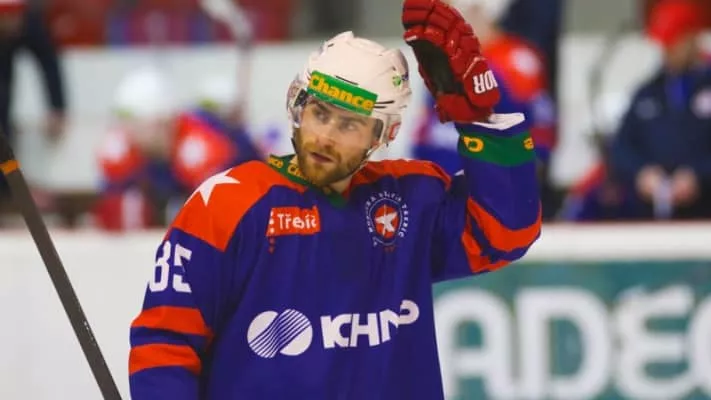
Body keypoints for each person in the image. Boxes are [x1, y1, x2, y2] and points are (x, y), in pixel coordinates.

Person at [127, 0, 541, 398]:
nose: (326, 136)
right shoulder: (226, 205)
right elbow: (165, 342)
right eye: (320, 113)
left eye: (350, 125)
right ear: (297, 105)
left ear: (384, 135)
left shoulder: (409, 200)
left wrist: (479, 121)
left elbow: (507, 232)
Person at [412, 0, 557, 218]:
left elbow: (540, 131)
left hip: (494, 198)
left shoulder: (518, 61)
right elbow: (426, 131)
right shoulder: (442, 60)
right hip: (440, 198)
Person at [92, 65, 263, 230]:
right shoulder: (124, 150)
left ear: (160, 122)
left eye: (134, 122)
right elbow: (113, 219)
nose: (126, 129)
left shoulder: (199, 149)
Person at [609, 0, 711, 219]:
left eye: (674, 42)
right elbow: (621, 147)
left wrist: (699, 175)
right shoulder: (648, 92)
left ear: (692, 38)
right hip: (654, 215)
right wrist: (641, 173)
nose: (668, 51)